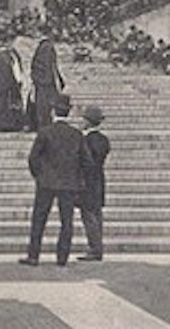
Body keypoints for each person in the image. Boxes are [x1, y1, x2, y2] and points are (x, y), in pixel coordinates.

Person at [19, 95, 91, 267]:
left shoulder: (45, 132)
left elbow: (33, 158)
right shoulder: (76, 134)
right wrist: (77, 177)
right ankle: (62, 257)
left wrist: (39, 175)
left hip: (46, 182)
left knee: (39, 219)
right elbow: (87, 161)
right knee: (67, 221)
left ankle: (34, 255)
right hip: (68, 183)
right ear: (68, 112)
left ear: (53, 111)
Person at [78, 106, 110, 261]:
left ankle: (94, 248)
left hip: (87, 182)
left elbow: (86, 162)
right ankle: (97, 247)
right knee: (97, 215)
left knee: (88, 216)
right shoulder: (103, 140)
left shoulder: (86, 140)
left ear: (88, 122)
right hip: (99, 180)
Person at [0, 36, 25, 131]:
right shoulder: (3, 56)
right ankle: (5, 124)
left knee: (7, 105)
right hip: (6, 85)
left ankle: (9, 124)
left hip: (9, 84)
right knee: (4, 105)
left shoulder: (10, 55)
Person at [30, 33, 64, 130]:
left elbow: (42, 65)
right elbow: (50, 66)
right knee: (46, 107)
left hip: (44, 82)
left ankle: (44, 126)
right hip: (46, 82)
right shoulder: (47, 47)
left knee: (43, 107)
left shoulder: (44, 47)